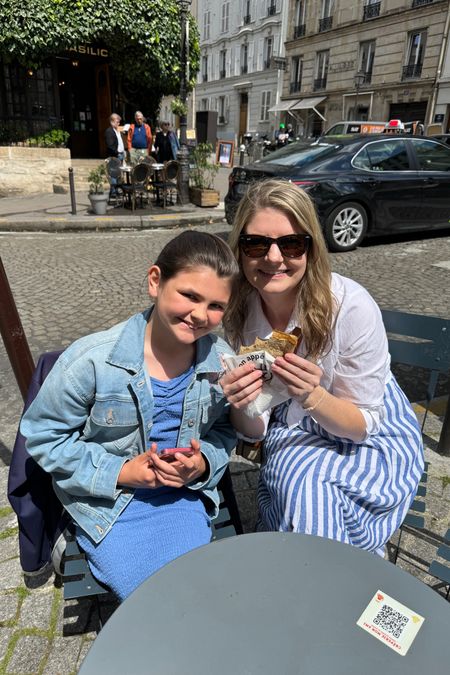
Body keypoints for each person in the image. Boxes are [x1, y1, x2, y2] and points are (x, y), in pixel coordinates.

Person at [20, 231, 239, 601]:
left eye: (216, 306)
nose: (201, 315)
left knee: (203, 592)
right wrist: (122, 472)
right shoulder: (92, 361)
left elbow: (223, 429)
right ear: (156, 281)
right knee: (155, 600)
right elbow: (43, 437)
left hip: (182, 499)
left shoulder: (220, 360)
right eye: (189, 295)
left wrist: (201, 464)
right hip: (108, 507)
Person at [221, 178, 424, 556]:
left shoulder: (351, 307)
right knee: (303, 481)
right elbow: (255, 433)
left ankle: (323, 573)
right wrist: (242, 404)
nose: (274, 258)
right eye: (256, 244)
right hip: (292, 429)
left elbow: (362, 424)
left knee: (305, 484)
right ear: (240, 250)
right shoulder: (240, 312)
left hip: (366, 429)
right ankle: (328, 576)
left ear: (312, 249)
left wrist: (313, 396)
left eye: (292, 243)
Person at [104, 113, 125, 200]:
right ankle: (113, 192)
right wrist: (117, 153)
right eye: (117, 121)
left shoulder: (117, 130)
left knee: (118, 174)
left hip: (120, 155)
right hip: (114, 156)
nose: (119, 123)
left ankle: (115, 190)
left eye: (119, 122)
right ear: (112, 121)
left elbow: (119, 142)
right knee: (113, 174)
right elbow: (110, 145)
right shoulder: (109, 131)